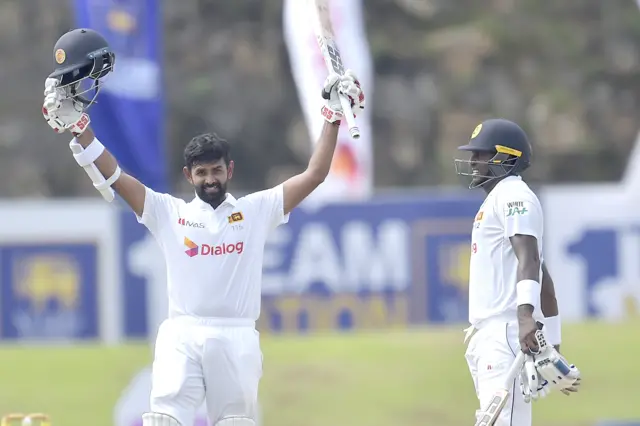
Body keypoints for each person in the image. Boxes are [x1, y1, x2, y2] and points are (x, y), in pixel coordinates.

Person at [41, 28, 365, 426]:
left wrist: (331, 119)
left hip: (237, 336)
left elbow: (315, 175)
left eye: (216, 171)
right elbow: (114, 177)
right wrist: (80, 129)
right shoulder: (168, 212)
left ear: (229, 171)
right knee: (162, 419)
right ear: (188, 175)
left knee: (236, 423)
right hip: (183, 333)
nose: (209, 179)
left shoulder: (257, 210)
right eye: (201, 173)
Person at [454, 119, 580, 426]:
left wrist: (526, 319)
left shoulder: (514, 195)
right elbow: (544, 280)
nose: (472, 161)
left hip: (506, 334)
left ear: (505, 158)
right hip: (494, 336)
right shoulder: (499, 199)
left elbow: (530, 259)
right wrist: (552, 348)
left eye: (480, 154)